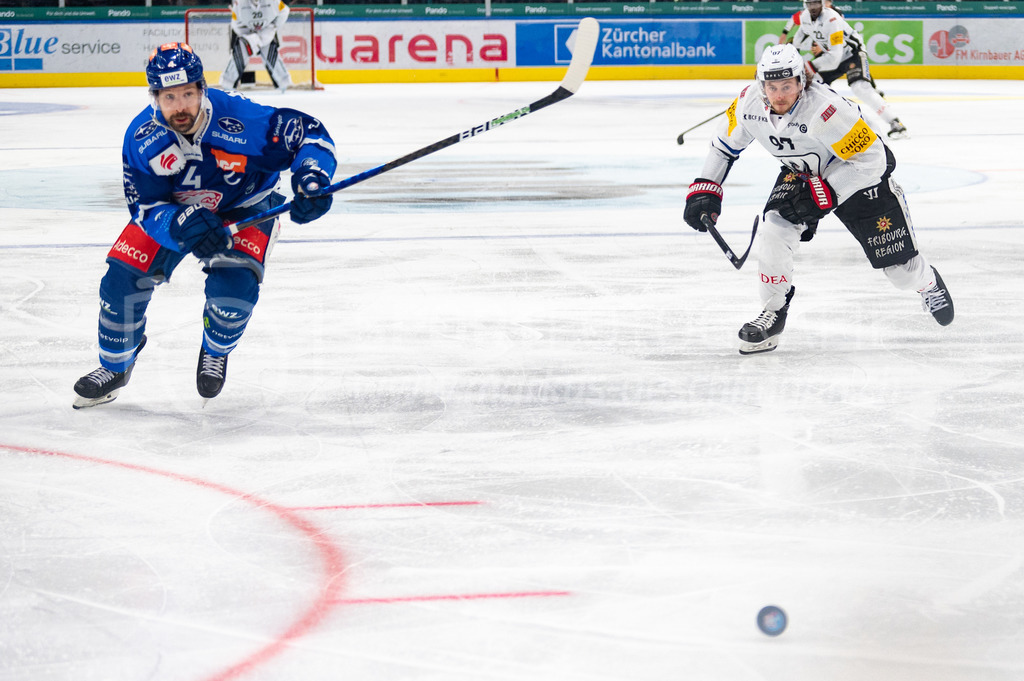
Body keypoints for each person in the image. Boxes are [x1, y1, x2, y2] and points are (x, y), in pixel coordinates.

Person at [72, 42, 336, 408]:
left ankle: (215, 349)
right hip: (176, 212)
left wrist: (313, 177)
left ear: (202, 89)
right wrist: (180, 224)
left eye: (187, 94)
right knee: (120, 285)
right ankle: (116, 366)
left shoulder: (240, 118)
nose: (180, 106)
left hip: (247, 206)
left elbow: (308, 134)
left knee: (233, 293)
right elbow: (146, 208)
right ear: (155, 97)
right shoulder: (141, 138)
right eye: (169, 97)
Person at [683, 43, 953, 356]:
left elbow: (875, 160)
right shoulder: (747, 103)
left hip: (857, 177)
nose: (779, 95)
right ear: (761, 86)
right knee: (774, 227)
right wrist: (706, 187)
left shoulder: (827, 110)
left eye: (787, 86)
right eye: (772, 87)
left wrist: (826, 192)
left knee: (901, 273)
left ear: (802, 82)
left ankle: (926, 282)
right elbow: (722, 146)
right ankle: (773, 311)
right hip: (803, 173)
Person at [790, 0, 907, 139]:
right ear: (805, 5)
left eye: (816, 3)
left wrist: (808, 66)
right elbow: (800, 35)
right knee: (813, 86)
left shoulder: (832, 19)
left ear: (822, 4)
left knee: (860, 88)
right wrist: (792, 53)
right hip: (833, 55)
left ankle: (895, 122)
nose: (813, 8)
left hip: (852, 54)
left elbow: (834, 57)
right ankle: (810, 125)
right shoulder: (805, 17)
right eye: (809, 4)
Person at [218, 0, 293, 92]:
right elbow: (236, 25)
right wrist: (251, 37)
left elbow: (285, 11)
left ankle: (283, 84)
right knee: (239, 54)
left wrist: (272, 28)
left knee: (272, 56)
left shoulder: (274, 1)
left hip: (267, 33)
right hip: (246, 34)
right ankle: (228, 85)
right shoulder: (239, 3)